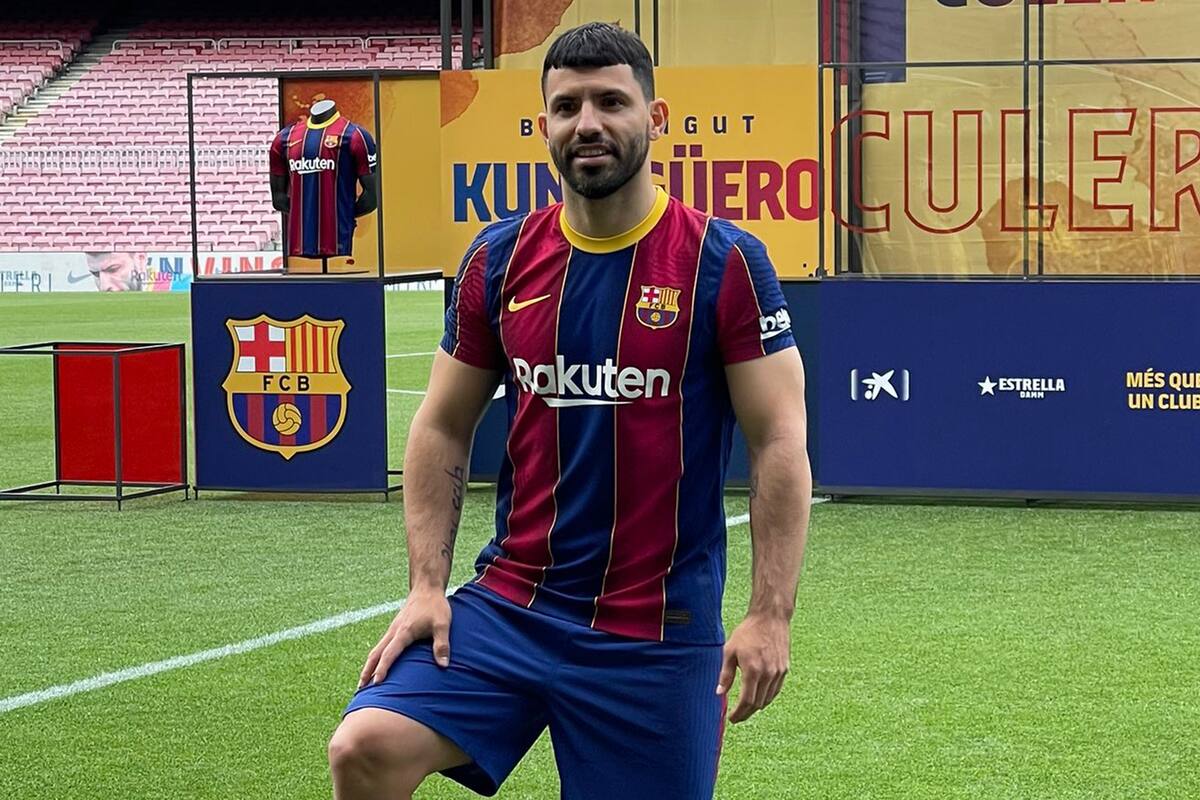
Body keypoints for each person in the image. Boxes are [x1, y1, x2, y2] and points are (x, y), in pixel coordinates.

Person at [328, 21, 811, 800]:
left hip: (654, 634)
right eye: (568, 106)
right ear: (545, 124)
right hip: (513, 605)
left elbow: (779, 441)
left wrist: (770, 615)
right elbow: (442, 425)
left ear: (654, 119)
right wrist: (426, 587)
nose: (588, 123)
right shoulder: (499, 259)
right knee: (365, 746)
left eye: (611, 102)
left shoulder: (723, 261)